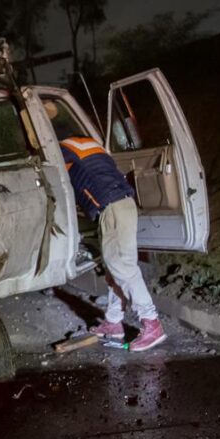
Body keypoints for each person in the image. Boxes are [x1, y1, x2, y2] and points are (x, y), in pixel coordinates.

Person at [52, 106, 167, 352]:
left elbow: (54, 180)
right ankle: (114, 323)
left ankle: (151, 323)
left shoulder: (61, 150)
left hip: (111, 207)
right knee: (117, 267)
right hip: (124, 203)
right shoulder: (90, 145)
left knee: (122, 267)